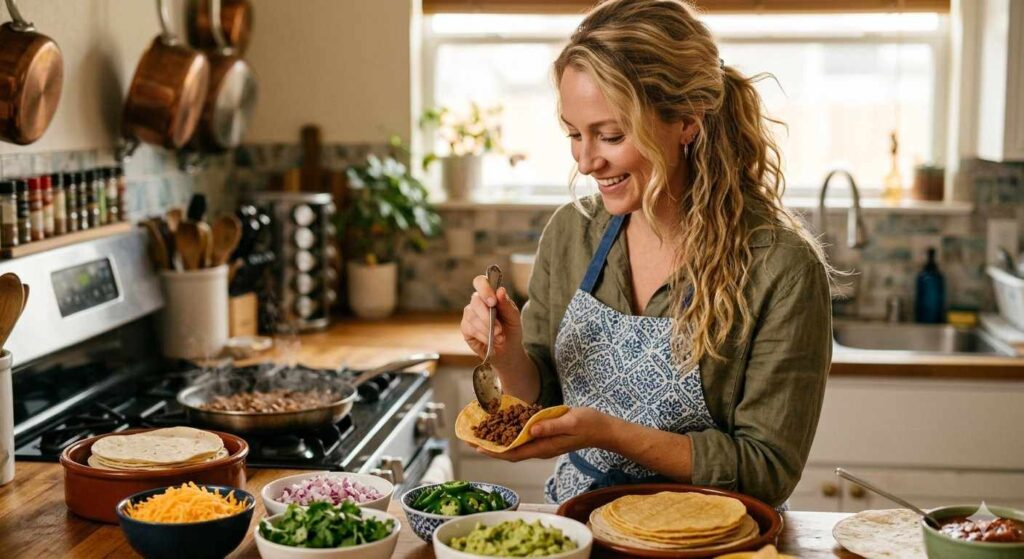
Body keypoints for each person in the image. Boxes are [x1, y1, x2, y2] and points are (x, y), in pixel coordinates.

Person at [460, 0, 832, 508]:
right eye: (574, 134)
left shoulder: (779, 267)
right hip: (582, 525)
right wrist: (506, 353)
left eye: (611, 135)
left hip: (713, 537)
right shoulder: (573, 233)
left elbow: (767, 470)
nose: (587, 161)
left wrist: (610, 433)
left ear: (686, 121)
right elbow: (542, 403)